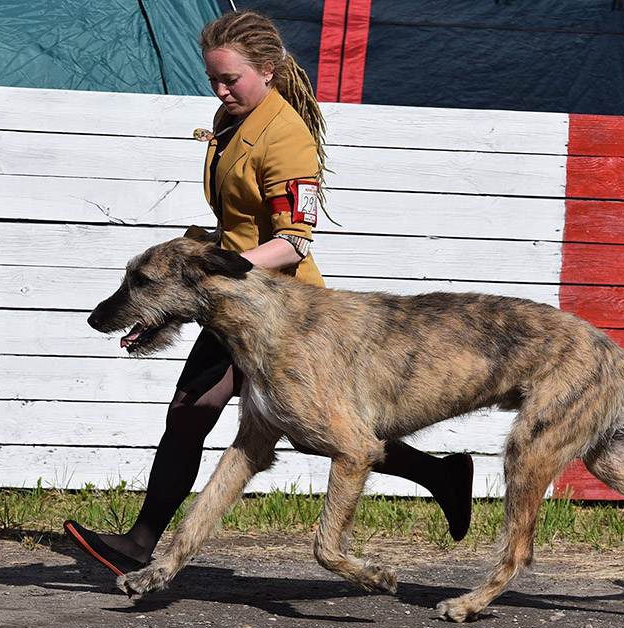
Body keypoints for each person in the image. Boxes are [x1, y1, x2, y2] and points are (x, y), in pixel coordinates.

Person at [64, 11, 474, 577]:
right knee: (194, 414)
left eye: (231, 78)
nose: (220, 89)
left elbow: (293, 244)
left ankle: (440, 475)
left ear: (269, 70)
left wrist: (211, 266)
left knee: (308, 432)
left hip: (283, 313)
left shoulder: (285, 137)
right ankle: (139, 543)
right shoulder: (233, 117)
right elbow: (242, 217)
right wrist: (210, 246)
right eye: (213, 78)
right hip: (230, 300)